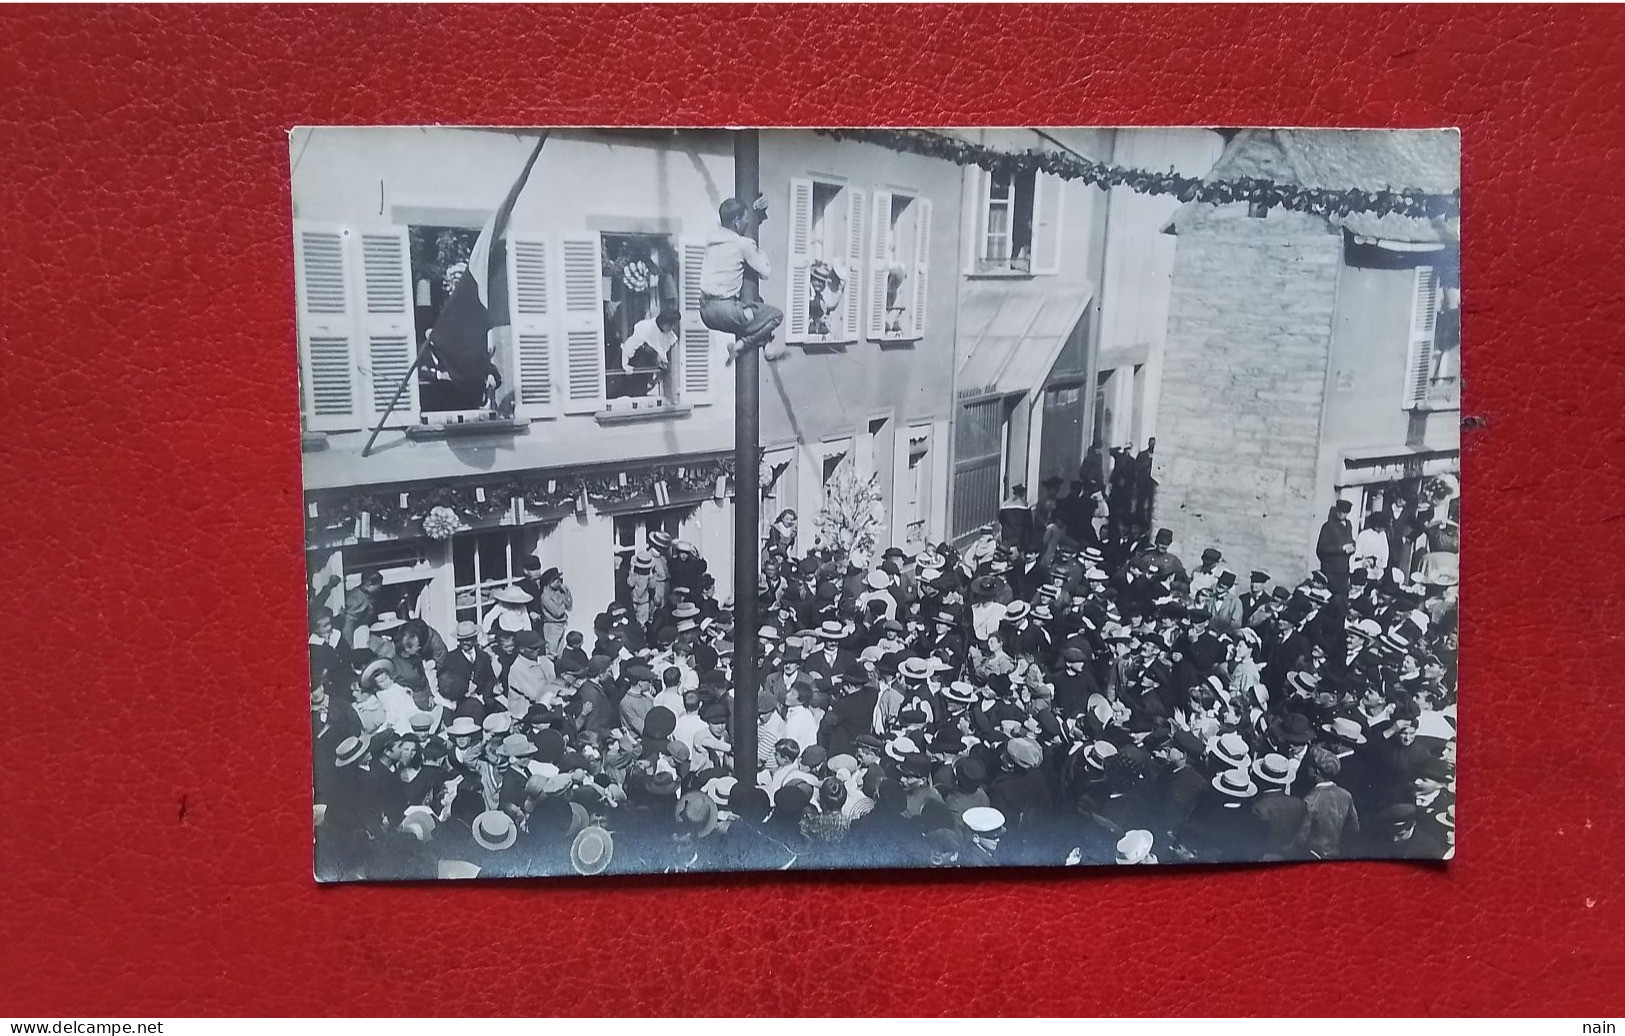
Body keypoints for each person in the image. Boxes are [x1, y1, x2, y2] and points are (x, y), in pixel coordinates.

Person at [698, 197, 784, 362]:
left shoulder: (711, 239)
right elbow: (765, 272)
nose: (747, 223)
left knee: (757, 303)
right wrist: (756, 249)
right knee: (775, 315)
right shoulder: (742, 244)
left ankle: (766, 345)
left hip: (705, 312)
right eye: (745, 219)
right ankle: (743, 345)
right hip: (727, 312)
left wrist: (758, 214)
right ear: (737, 221)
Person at [1316, 500, 1357, 596]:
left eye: (1343, 512)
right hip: (1330, 571)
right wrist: (1341, 549)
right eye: (1339, 511)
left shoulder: (1348, 525)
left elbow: (1350, 540)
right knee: (1329, 597)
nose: (1340, 514)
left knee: (1341, 598)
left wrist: (1353, 547)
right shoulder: (1328, 526)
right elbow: (1321, 549)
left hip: (1343, 571)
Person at [537, 568, 574, 656]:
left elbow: (568, 604)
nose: (559, 583)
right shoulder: (545, 596)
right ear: (550, 582)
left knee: (560, 652)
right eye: (557, 581)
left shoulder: (558, 592)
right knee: (551, 652)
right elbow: (557, 612)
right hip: (552, 626)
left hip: (561, 624)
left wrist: (567, 593)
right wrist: (562, 604)